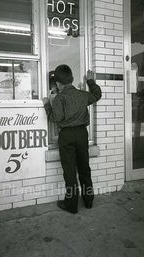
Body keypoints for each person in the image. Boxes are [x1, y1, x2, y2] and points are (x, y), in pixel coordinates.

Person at [42, 65, 102, 214]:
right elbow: (97, 95)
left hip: (67, 136)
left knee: (70, 172)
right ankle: (88, 201)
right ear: (72, 79)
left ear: (57, 83)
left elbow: (55, 119)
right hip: (82, 135)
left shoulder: (59, 99)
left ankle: (71, 205)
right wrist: (90, 81)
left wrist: (46, 105)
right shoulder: (83, 95)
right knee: (84, 169)